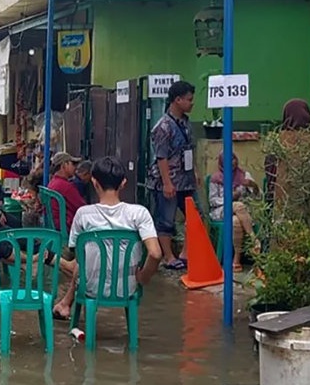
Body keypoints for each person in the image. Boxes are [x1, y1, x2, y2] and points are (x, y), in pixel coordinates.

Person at [52, 157, 163, 319]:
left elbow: (78, 255)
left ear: (94, 182)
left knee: (83, 259)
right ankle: (65, 303)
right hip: (127, 288)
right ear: (123, 183)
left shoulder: (84, 214)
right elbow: (155, 254)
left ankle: (66, 303)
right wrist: (143, 277)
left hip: (90, 287)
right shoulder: (139, 213)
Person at [147, 80, 197, 270]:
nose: (192, 103)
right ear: (177, 100)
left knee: (196, 215)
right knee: (166, 220)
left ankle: (185, 253)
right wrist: (167, 183)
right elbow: (161, 157)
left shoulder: (185, 122)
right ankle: (168, 257)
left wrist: (195, 173)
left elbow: (189, 148)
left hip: (187, 179)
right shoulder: (163, 126)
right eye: (189, 99)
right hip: (169, 181)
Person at [208, 152, 260, 272]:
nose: (232, 162)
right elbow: (212, 201)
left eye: (234, 159)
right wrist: (229, 198)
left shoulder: (244, 176)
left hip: (242, 215)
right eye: (229, 160)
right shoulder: (216, 178)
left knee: (235, 221)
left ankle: (236, 260)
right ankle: (254, 239)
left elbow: (258, 197)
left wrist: (253, 185)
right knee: (238, 205)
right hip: (221, 210)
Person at [47, 153, 86, 233]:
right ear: (64, 165)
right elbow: (82, 207)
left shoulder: (52, 183)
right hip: (67, 228)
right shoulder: (65, 186)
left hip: (55, 226)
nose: (74, 168)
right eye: (72, 164)